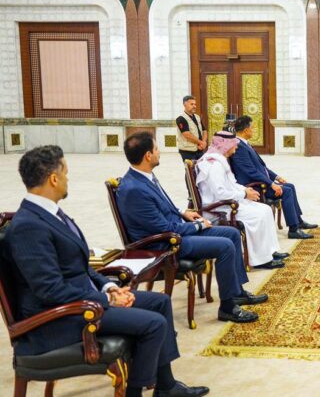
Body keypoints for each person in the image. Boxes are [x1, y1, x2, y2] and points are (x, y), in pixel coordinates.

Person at [2, 146, 208, 397]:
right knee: (153, 324)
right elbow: (50, 290)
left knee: (160, 303)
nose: (67, 179)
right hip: (58, 320)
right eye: (65, 173)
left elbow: (80, 267)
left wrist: (109, 287)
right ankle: (134, 393)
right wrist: (107, 300)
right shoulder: (28, 226)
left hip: (83, 300)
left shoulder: (49, 213)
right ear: (53, 179)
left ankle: (166, 386)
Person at [116, 132, 265, 323]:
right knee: (225, 246)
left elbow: (161, 205)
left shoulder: (143, 177)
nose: (159, 152)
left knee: (232, 234)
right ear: (148, 155)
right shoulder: (134, 189)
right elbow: (162, 228)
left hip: (175, 231)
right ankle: (227, 308)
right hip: (165, 244)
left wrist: (183, 212)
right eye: (156, 149)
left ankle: (236, 292)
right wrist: (197, 226)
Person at [196, 131, 288, 269]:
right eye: (234, 144)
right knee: (257, 216)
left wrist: (245, 190)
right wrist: (244, 195)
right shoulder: (214, 165)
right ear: (226, 145)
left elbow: (231, 184)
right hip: (218, 208)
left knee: (266, 209)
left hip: (228, 203)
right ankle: (260, 260)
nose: (236, 147)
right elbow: (220, 193)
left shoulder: (220, 160)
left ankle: (269, 252)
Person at [230, 115, 318, 240]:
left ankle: (298, 221)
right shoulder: (239, 147)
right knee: (286, 191)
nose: (253, 130)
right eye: (252, 128)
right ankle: (293, 229)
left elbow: (261, 167)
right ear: (246, 130)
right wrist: (272, 184)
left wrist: (277, 177)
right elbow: (251, 172)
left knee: (290, 186)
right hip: (254, 186)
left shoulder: (245, 144)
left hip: (260, 181)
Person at [176, 95, 207, 162]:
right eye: (191, 104)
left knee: (201, 168)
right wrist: (201, 142)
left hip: (199, 150)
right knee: (190, 168)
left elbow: (204, 130)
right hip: (187, 151)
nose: (194, 106)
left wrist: (204, 142)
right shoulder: (181, 118)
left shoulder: (197, 117)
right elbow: (187, 135)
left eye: (195, 104)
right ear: (185, 105)